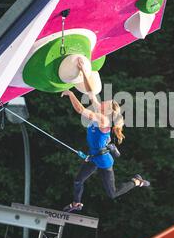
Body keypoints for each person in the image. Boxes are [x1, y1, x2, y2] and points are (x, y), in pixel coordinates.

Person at [62, 59, 150, 213]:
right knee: (78, 181)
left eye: (106, 104)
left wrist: (70, 93)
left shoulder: (103, 119)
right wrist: (82, 70)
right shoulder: (100, 111)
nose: (102, 103)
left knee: (113, 194)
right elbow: (90, 92)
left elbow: (81, 109)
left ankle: (136, 182)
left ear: (108, 111)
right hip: (94, 155)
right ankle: (76, 204)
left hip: (103, 161)